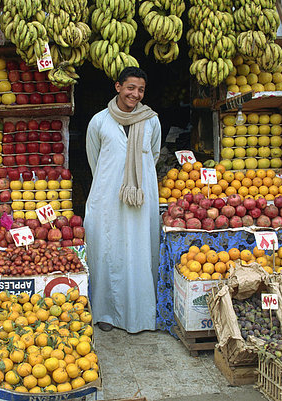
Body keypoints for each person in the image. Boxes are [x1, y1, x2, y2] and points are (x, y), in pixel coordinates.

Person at [84, 67, 162, 333]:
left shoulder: (151, 120)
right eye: (130, 88)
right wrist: (114, 181)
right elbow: (94, 159)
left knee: (139, 251)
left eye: (140, 90)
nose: (135, 94)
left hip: (141, 200)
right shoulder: (99, 121)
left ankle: (140, 315)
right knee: (107, 249)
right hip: (108, 198)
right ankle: (106, 312)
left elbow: (153, 155)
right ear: (118, 87)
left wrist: (135, 184)